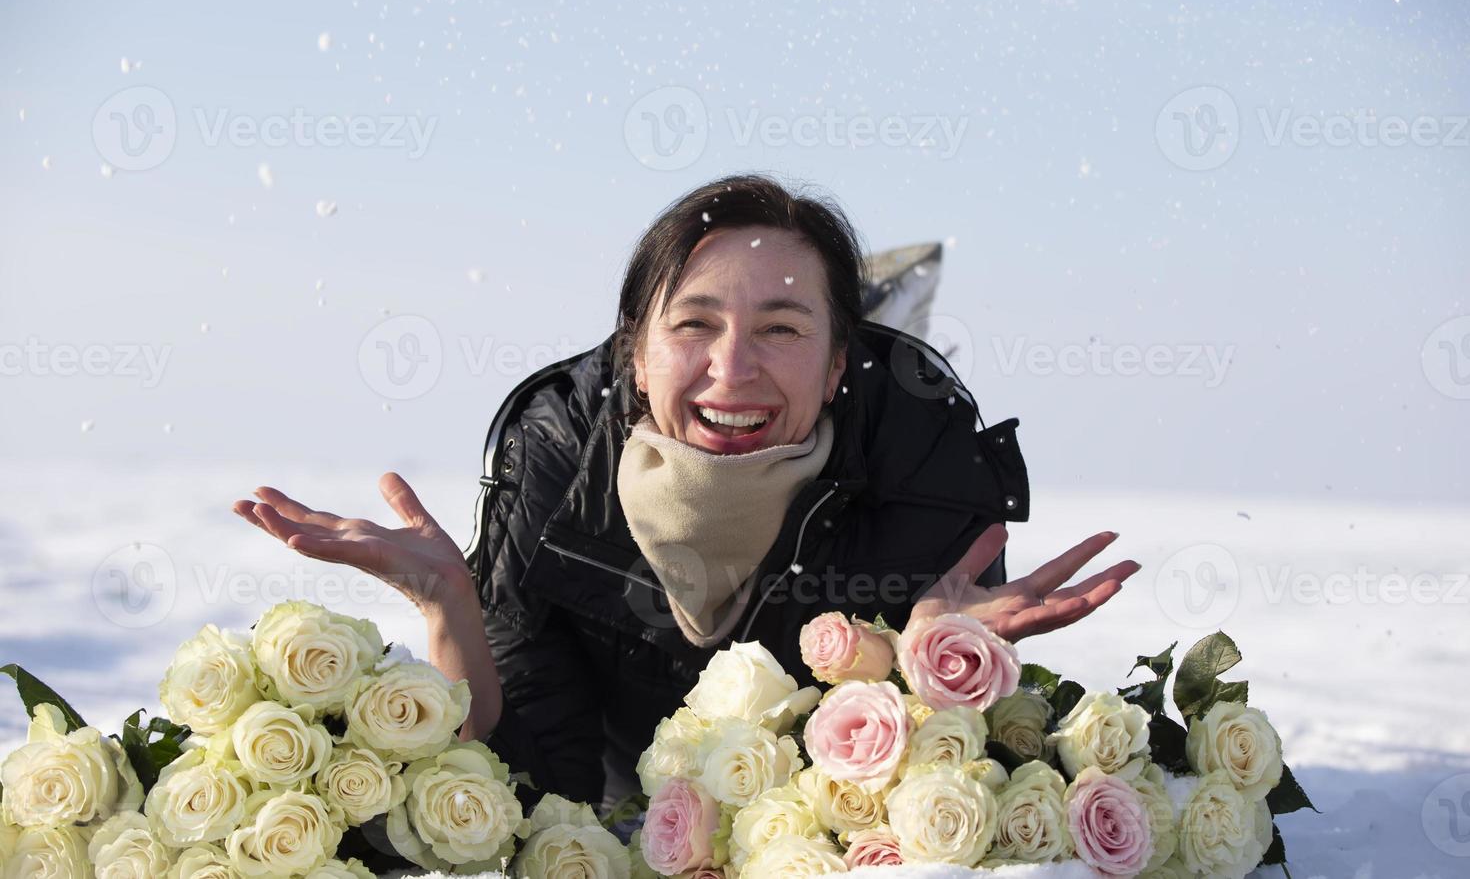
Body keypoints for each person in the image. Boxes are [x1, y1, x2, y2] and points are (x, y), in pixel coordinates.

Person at [232, 174, 1140, 810]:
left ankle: (874, 305)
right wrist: (452, 608)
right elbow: (540, 785)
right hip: (639, 765)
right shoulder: (558, 456)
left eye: (780, 329)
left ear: (834, 369)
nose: (730, 369)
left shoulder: (923, 458)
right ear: (636, 352)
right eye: (694, 323)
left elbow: (916, 790)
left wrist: (929, 670)